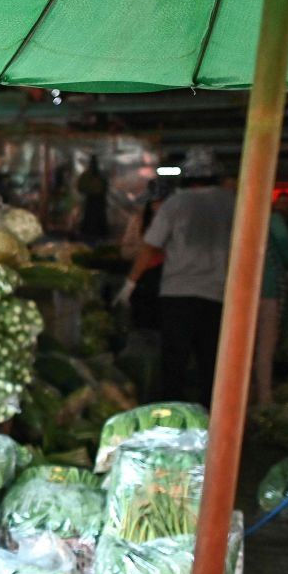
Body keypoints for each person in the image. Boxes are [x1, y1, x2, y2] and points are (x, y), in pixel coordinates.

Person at [114, 148, 235, 406]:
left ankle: (172, 418)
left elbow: (150, 246)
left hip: (177, 295)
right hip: (218, 294)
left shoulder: (176, 203)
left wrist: (130, 283)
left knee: (174, 364)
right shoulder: (231, 203)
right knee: (211, 363)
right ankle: (213, 419)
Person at [254, 203, 288, 404]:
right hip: (268, 288)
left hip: (235, 290)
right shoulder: (271, 219)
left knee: (240, 349)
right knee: (265, 345)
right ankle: (264, 397)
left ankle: (240, 397)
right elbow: (286, 249)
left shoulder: (230, 215)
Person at [118, 180, 170, 330]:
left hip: (170, 279)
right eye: (155, 202)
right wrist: (145, 248)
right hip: (144, 280)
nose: (158, 206)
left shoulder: (178, 221)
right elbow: (126, 251)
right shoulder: (138, 221)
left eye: (162, 202)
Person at [77, 155, 109, 242]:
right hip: (94, 200)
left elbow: (80, 187)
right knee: (93, 219)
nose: (93, 165)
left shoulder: (89, 175)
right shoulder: (97, 175)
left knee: (92, 219)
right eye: (92, 163)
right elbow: (80, 187)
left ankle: (93, 235)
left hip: (95, 200)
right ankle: (94, 235)